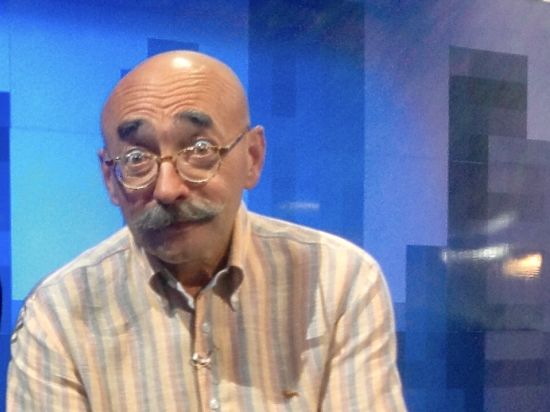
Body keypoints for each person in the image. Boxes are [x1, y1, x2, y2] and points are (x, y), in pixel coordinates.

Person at [7, 51, 406, 411]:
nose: (167, 189)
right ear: (110, 179)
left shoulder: (337, 281)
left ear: (252, 157)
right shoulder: (59, 313)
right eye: (136, 158)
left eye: (199, 150)